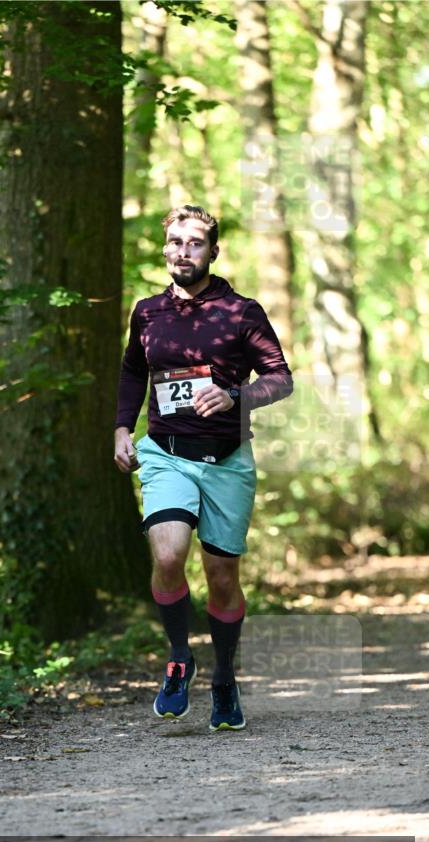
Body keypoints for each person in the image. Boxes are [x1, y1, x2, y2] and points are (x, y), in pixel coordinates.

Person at [114, 204, 293, 732]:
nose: (183, 251)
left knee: (221, 576)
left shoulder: (242, 312)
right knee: (168, 554)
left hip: (227, 462)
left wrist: (237, 395)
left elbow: (281, 378)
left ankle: (223, 677)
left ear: (213, 251)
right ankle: (178, 656)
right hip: (165, 453)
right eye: (175, 242)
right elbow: (132, 371)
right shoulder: (147, 312)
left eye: (195, 243)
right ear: (165, 249)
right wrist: (123, 428)